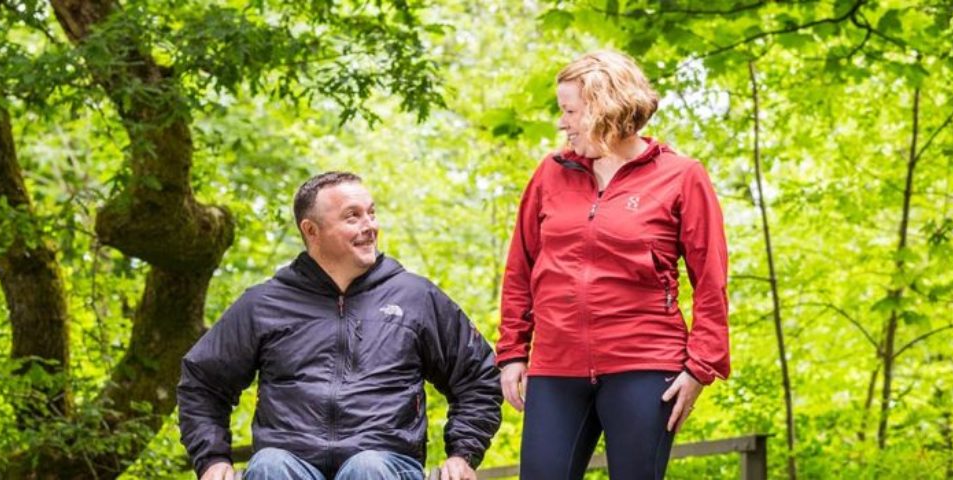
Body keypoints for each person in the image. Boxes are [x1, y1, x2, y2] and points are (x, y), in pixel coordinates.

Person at [496, 49, 731, 480]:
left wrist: (701, 366)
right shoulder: (550, 173)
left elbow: (711, 281)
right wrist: (512, 351)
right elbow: (520, 269)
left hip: (645, 363)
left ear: (606, 109)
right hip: (556, 365)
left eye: (570, 111)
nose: (562, 123)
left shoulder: (681, 176)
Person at [178, 172, 502, 480]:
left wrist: (462, 454)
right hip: (288, 464)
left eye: (371, 213)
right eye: (353, 216)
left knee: (367, 468)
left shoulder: (416, 298)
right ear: (311, 230)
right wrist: (213, 460)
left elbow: (477, 377)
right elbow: (203, 382)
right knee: (270, 466)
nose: (370, 226)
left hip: (385, 464)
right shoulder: (264, 305)